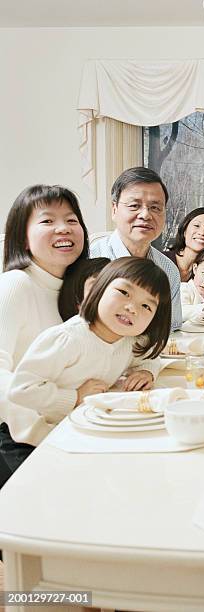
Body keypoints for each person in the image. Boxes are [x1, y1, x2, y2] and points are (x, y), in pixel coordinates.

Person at [8, 258, 169, 455]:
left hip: (87, 427)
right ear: (98, 289)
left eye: (146, 306)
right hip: (39, 436)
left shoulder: (128, 340)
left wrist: (146, 372)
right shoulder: (68, 339)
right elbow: (20, 390)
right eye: (124, 293)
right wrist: (75, 397)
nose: (132, 308)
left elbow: (150, 356)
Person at [0, 184, 88, 480]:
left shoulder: (74, 289)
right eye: (48, 221)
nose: (63, 228)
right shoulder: (15, 284)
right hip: (19, 436)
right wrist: (70, 398)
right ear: (23, 238)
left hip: (63, 425)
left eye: (72, 220)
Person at [90, 167, 182, 331]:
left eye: (155, 207)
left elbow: (170, 331)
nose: (145, 215)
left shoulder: (169, 271)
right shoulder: (89, 259)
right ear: (114, 209)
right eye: (134, 205)